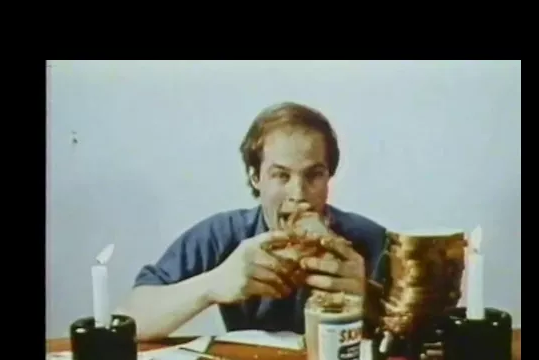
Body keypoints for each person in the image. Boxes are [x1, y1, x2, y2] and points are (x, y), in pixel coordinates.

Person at [116, 102, 388, 341]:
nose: (298, 194)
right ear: (255, 177)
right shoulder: (224, 235)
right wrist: (213, 284)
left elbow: (413, 343)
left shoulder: (369, 239)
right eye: (281, 175)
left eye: (314, 175)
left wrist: (369, 299)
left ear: (329, 176)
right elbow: (129, 320)